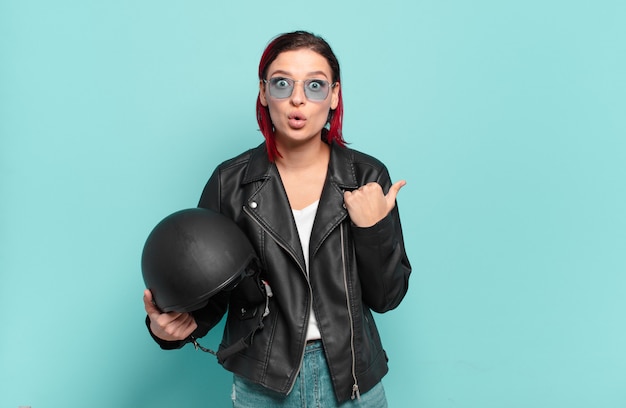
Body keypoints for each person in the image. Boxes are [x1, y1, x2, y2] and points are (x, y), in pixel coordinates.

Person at [143, 30, 412, 407]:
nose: (297, 99)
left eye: (315, 86)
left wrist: (372, 229)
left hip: (352, 380)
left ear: (335, 95)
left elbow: (387, 297)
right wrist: (167, 328)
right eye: (282, 83)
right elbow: (212, 287)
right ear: (263, 92)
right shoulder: (230, 182)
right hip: (262, 381)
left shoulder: (366, 178)